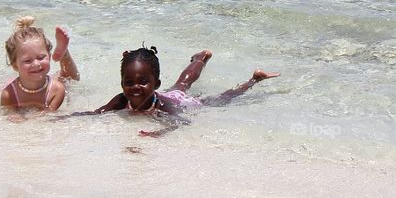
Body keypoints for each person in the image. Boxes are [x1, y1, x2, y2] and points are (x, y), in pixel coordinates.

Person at [93, 46, 279, 136]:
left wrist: (159, 133)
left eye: (143, 82)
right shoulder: (120, 99)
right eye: (129, 82)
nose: (135, 87)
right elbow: (97, 112)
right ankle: (201, 58)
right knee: (182, 82)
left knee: (224, 98)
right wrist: (68, 117)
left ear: (156, 84)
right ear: (122, 83)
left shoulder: (161, 106)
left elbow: (182, 122)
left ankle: (254, 79)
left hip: (183, 102)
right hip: (172, 93)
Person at [0, 16, 80, 111]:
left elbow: (48, 116)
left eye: (41, 57)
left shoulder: (57, 90)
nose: (36, 64)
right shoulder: (9, 95)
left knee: (70, 79)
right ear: (14, 65)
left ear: (49, 57)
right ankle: (63, 54)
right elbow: (11, 117)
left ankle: (64, 54)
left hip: (49, 84)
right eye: (28, 61)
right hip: (17, 85)